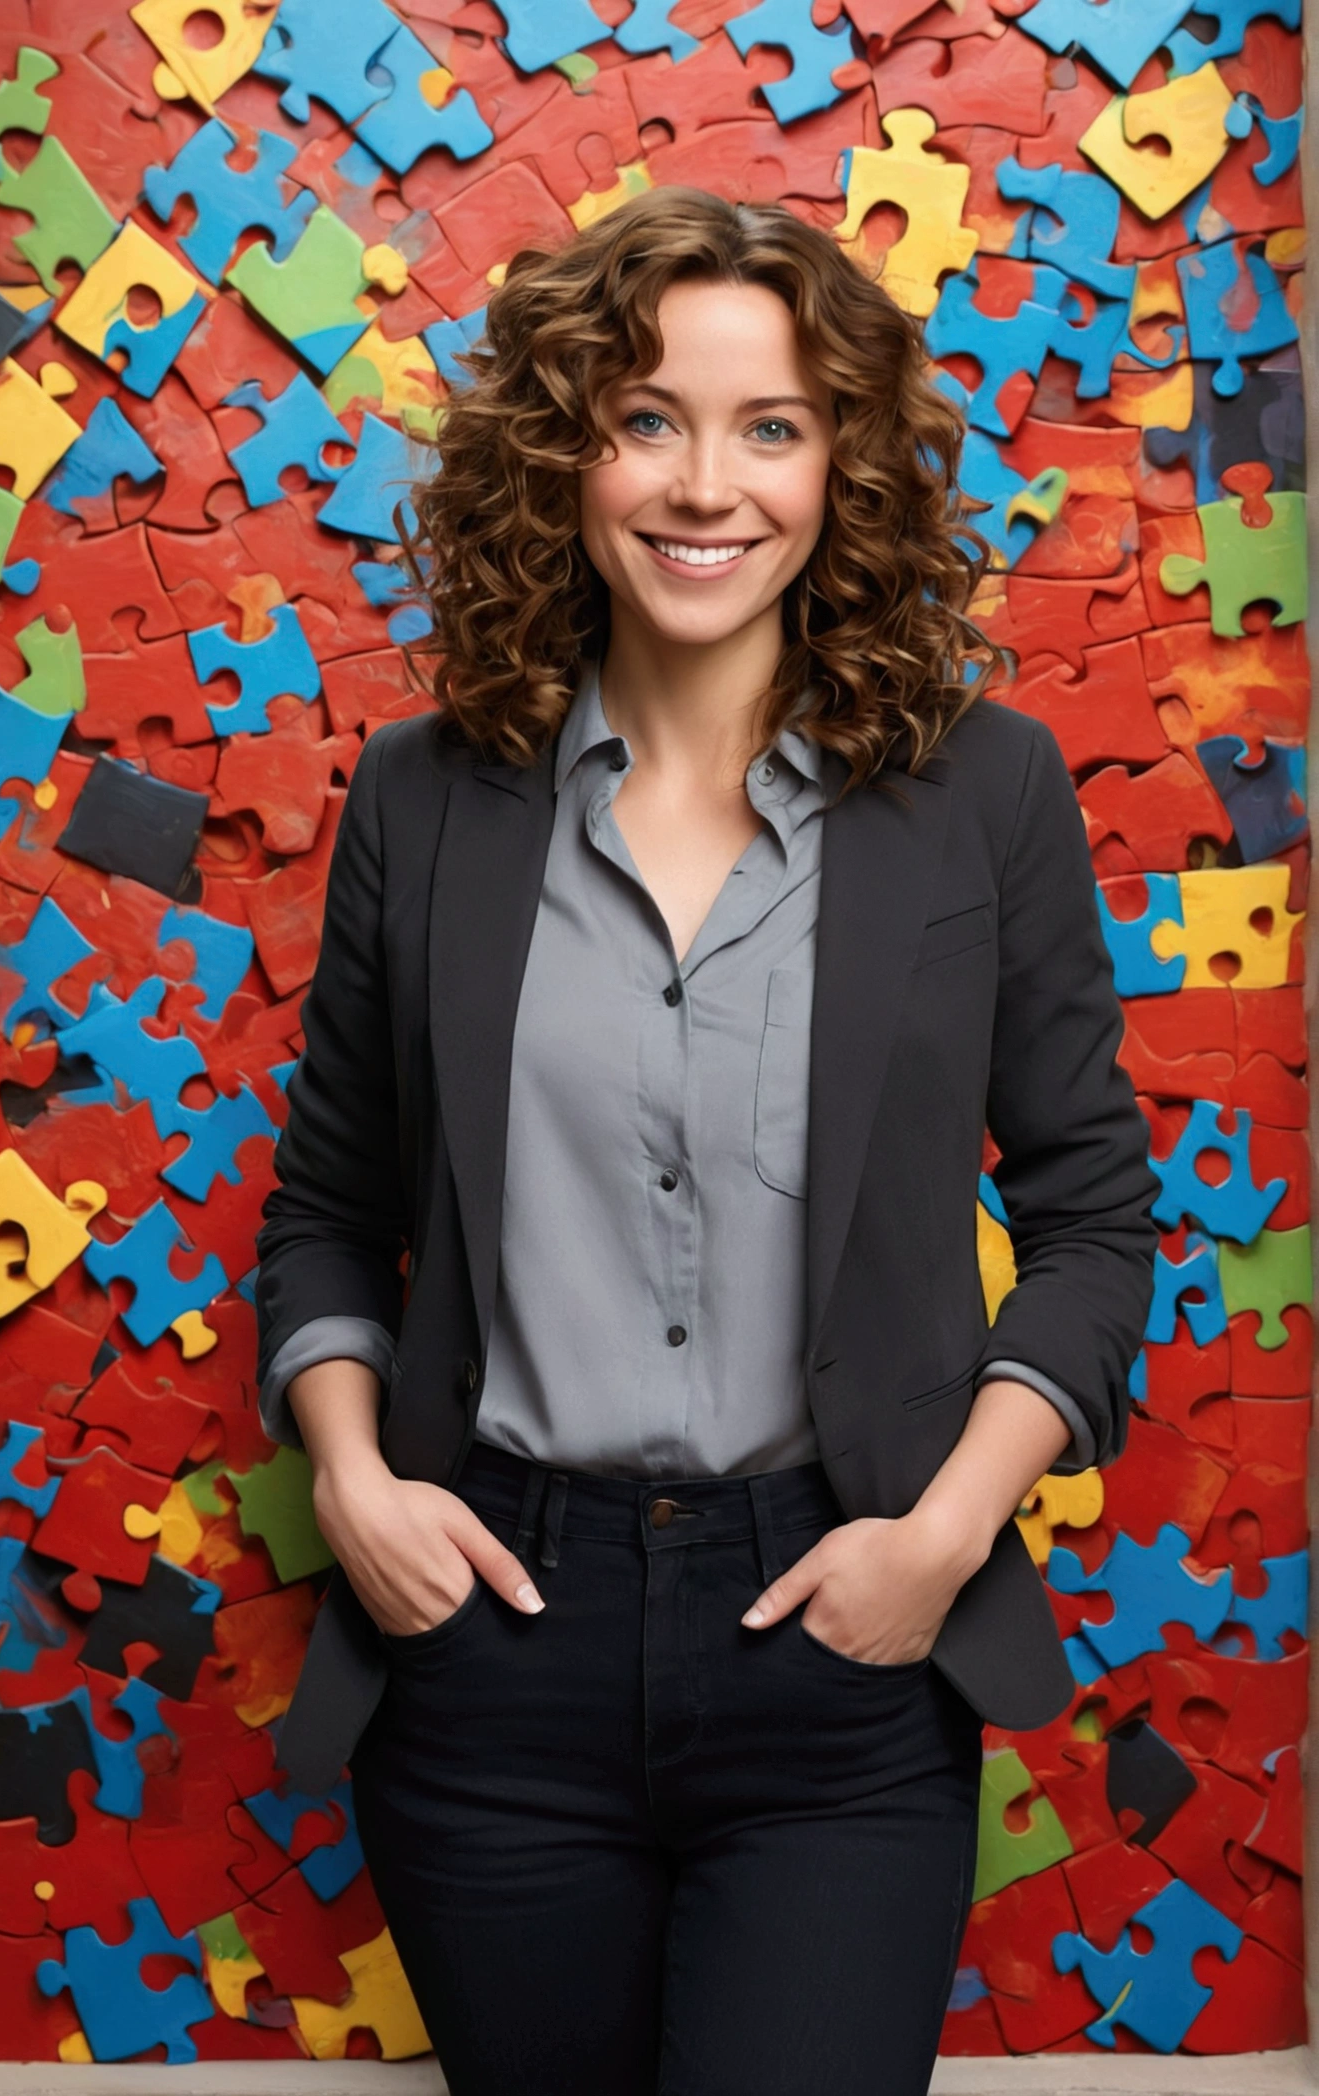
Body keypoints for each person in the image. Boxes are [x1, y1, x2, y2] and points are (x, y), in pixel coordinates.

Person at [253, 187, 1159, 2096]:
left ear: (846, 465)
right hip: (492, 1640)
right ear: (564, 452)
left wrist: (940, 1533)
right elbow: (329, 1211)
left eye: (771, 426)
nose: (704, 485)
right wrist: (350, 1476)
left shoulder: (985, 794)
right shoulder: (426, 799)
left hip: (844, 1643)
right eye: (647, 417)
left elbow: (1090, 1219)